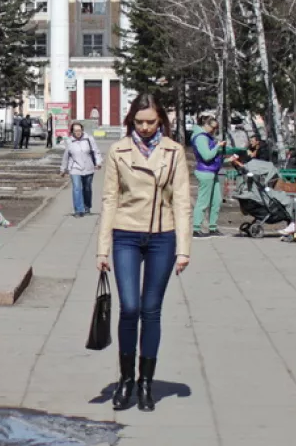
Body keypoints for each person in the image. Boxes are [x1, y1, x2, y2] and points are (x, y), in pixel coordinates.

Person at [95, 93, 192, 413]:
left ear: (161, 120)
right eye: (140, 122)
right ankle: (125, 380)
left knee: (151, 309)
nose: (147, 127)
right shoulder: (118, 151)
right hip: (125, 235)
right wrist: (103, 248)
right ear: (131, 121)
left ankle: (146, 383)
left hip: (162, 238)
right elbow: (109, 199)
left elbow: (181, 201)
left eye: (152, 122)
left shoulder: (174, 152)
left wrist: (184, 249)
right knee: (130, 307)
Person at [191, 115, 225, 237]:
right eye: (212, 127)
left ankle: (213, 227)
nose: (214, 130)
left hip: (212, 171)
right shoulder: (200, 138)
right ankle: (196, 228)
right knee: (203, 201)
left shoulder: (206, 137)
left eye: (216, 128)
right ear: (204, 124)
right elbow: (206, 156)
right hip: (205, 172)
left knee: (217, 200)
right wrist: (218, 146)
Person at [61, 121, 101, 217]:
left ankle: (87, 207)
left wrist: (99, 162)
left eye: (79, 130)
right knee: (77, 188)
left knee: (87, 188)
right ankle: (78, 210)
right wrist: (63, 169)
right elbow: (66, 156)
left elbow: (96, 151)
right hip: (75, 168)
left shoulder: (89, 139)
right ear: (72, 132)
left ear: (82, 130)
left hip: (89, 167)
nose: (78, 132)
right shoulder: (69, 141)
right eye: (75, 131)